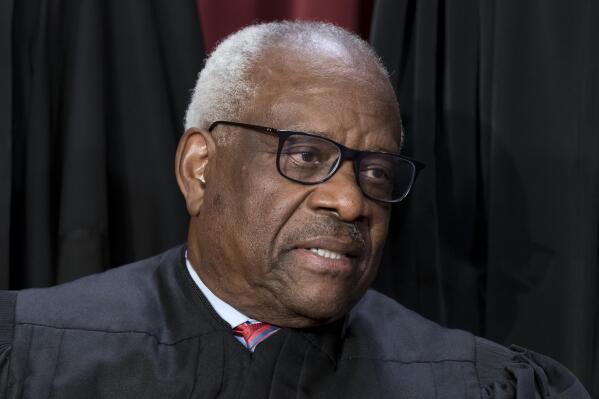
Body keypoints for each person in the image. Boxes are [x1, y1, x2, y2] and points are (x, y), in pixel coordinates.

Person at [0, 21, 590, 398]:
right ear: (199, 169)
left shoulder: (470, 383)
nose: (352, 200)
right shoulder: (32, 356)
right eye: (306, 155)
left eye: (376, 171)